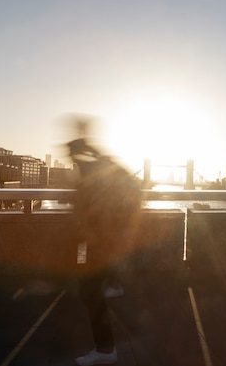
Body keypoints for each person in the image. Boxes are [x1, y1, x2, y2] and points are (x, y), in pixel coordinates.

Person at [68, 135, 142, 366]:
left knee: (90, 293)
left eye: (73, 155)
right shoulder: (96, 168)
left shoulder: (97, 170)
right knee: (86, 287)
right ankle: (112, 282)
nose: (72, 159)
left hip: (95, 242)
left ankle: (106, 349)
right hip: (88, 242)